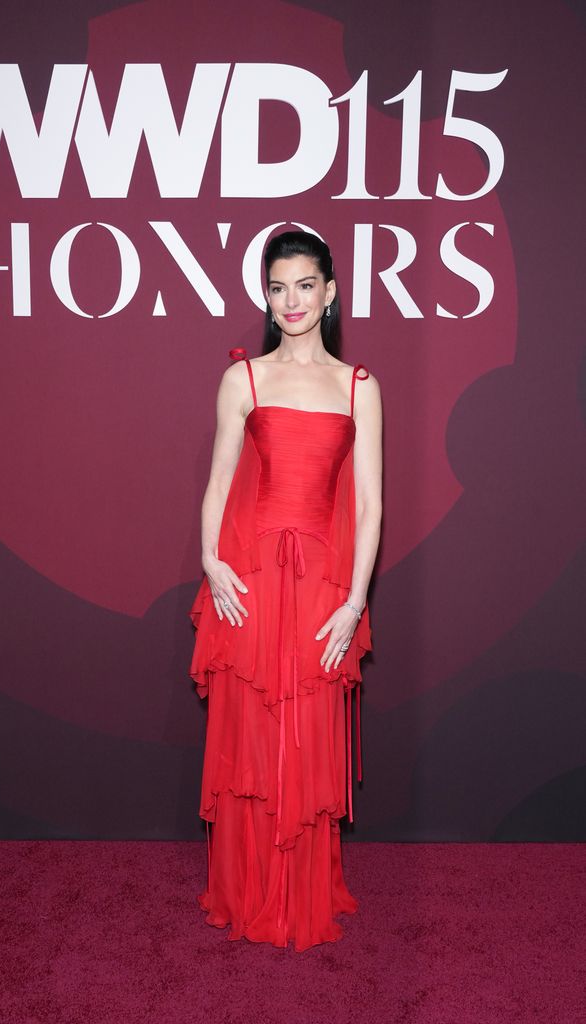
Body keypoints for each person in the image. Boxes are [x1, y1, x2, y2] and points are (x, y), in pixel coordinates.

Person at [188, 229, 383, 952]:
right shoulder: (246, 379)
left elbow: (369, 506)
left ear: (330, 292)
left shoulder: (359, 386)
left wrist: (355, 600)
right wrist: (212, 562)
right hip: (254, 585)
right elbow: (216, 482)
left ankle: (299, 892)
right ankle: (246, 890)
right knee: (255, 739)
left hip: (321, 593)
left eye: (305, 285)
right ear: (265, 297)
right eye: (278, 287)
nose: (292, 300)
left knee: (304, 740)